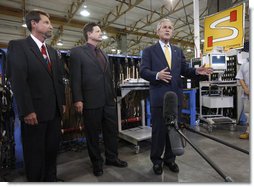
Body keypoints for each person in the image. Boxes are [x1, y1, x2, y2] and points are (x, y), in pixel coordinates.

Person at [140, 18, 213, 175]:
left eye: (170, 27)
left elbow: (184, 70)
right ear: (157, 31)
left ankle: (170, 160)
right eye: (164, 27)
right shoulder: (149, 51)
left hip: (176, 97)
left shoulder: (177, 51)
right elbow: (143, 71)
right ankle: (157, 161)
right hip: (159, 98)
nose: (168, 29)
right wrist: (157, 75)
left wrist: (196, 72)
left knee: (173, 129)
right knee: (159, 131)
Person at [7, 9, 65, 182]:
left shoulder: (52, 52)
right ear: (34, 24)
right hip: (34, 113)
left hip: (54, 112)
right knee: (34, 154)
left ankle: (51, 179)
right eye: (46, 22)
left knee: (51, 150)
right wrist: (27, 110)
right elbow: (18, 81)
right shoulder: (18, 47)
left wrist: (61, 103)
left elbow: (59, 81)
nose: (51, 26)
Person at [69, 22, 127, 177]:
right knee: (92, 135)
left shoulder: (103, 53)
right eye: (98, 31)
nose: (101, 34)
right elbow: (75, 78)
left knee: (111, 131)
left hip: (108, 100)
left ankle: (112, 158)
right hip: (90, 100)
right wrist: (78, 99)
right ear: (89, 34)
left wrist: (113, 97)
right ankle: (97, 163)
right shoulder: (77, 52)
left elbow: (106, 77)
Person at [236, 59, 250, 139]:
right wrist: (245, 88)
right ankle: (248, 132)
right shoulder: (244, 65)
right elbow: (240, 78)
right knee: (248, 114)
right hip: (247, 94)